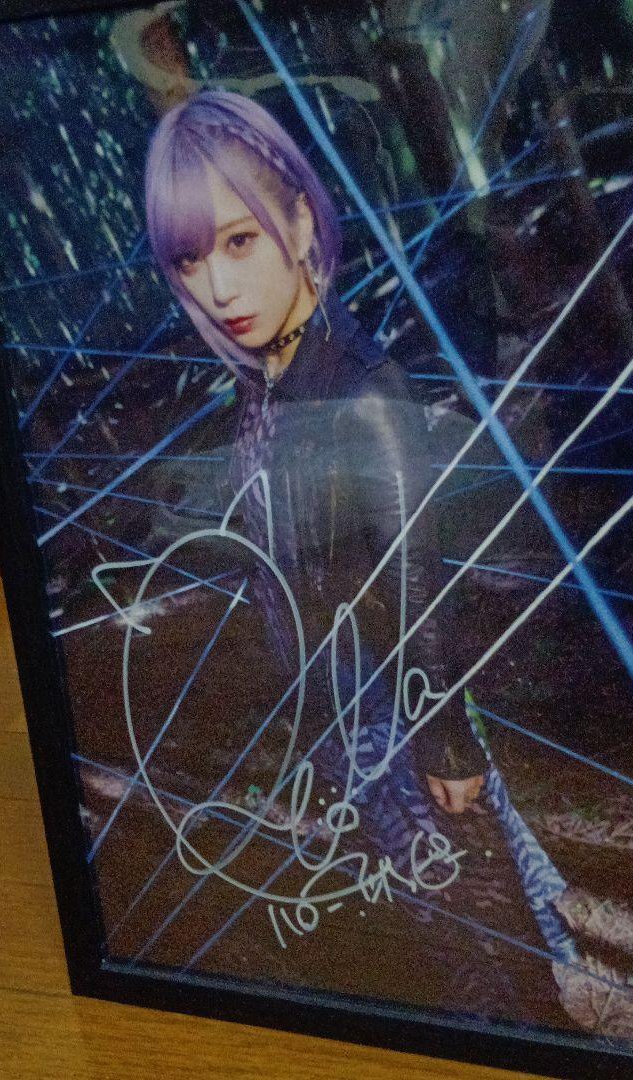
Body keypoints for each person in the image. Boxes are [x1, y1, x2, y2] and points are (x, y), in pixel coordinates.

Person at [143, 89, 489, 816]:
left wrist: (445, 744)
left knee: (430, 877)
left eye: (240, 241)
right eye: (190, 258)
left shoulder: (363, 398)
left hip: (383, 717)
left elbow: (415, 586)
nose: (219, 289)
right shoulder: (267, 378)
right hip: (323, 708)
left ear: (300, 224)